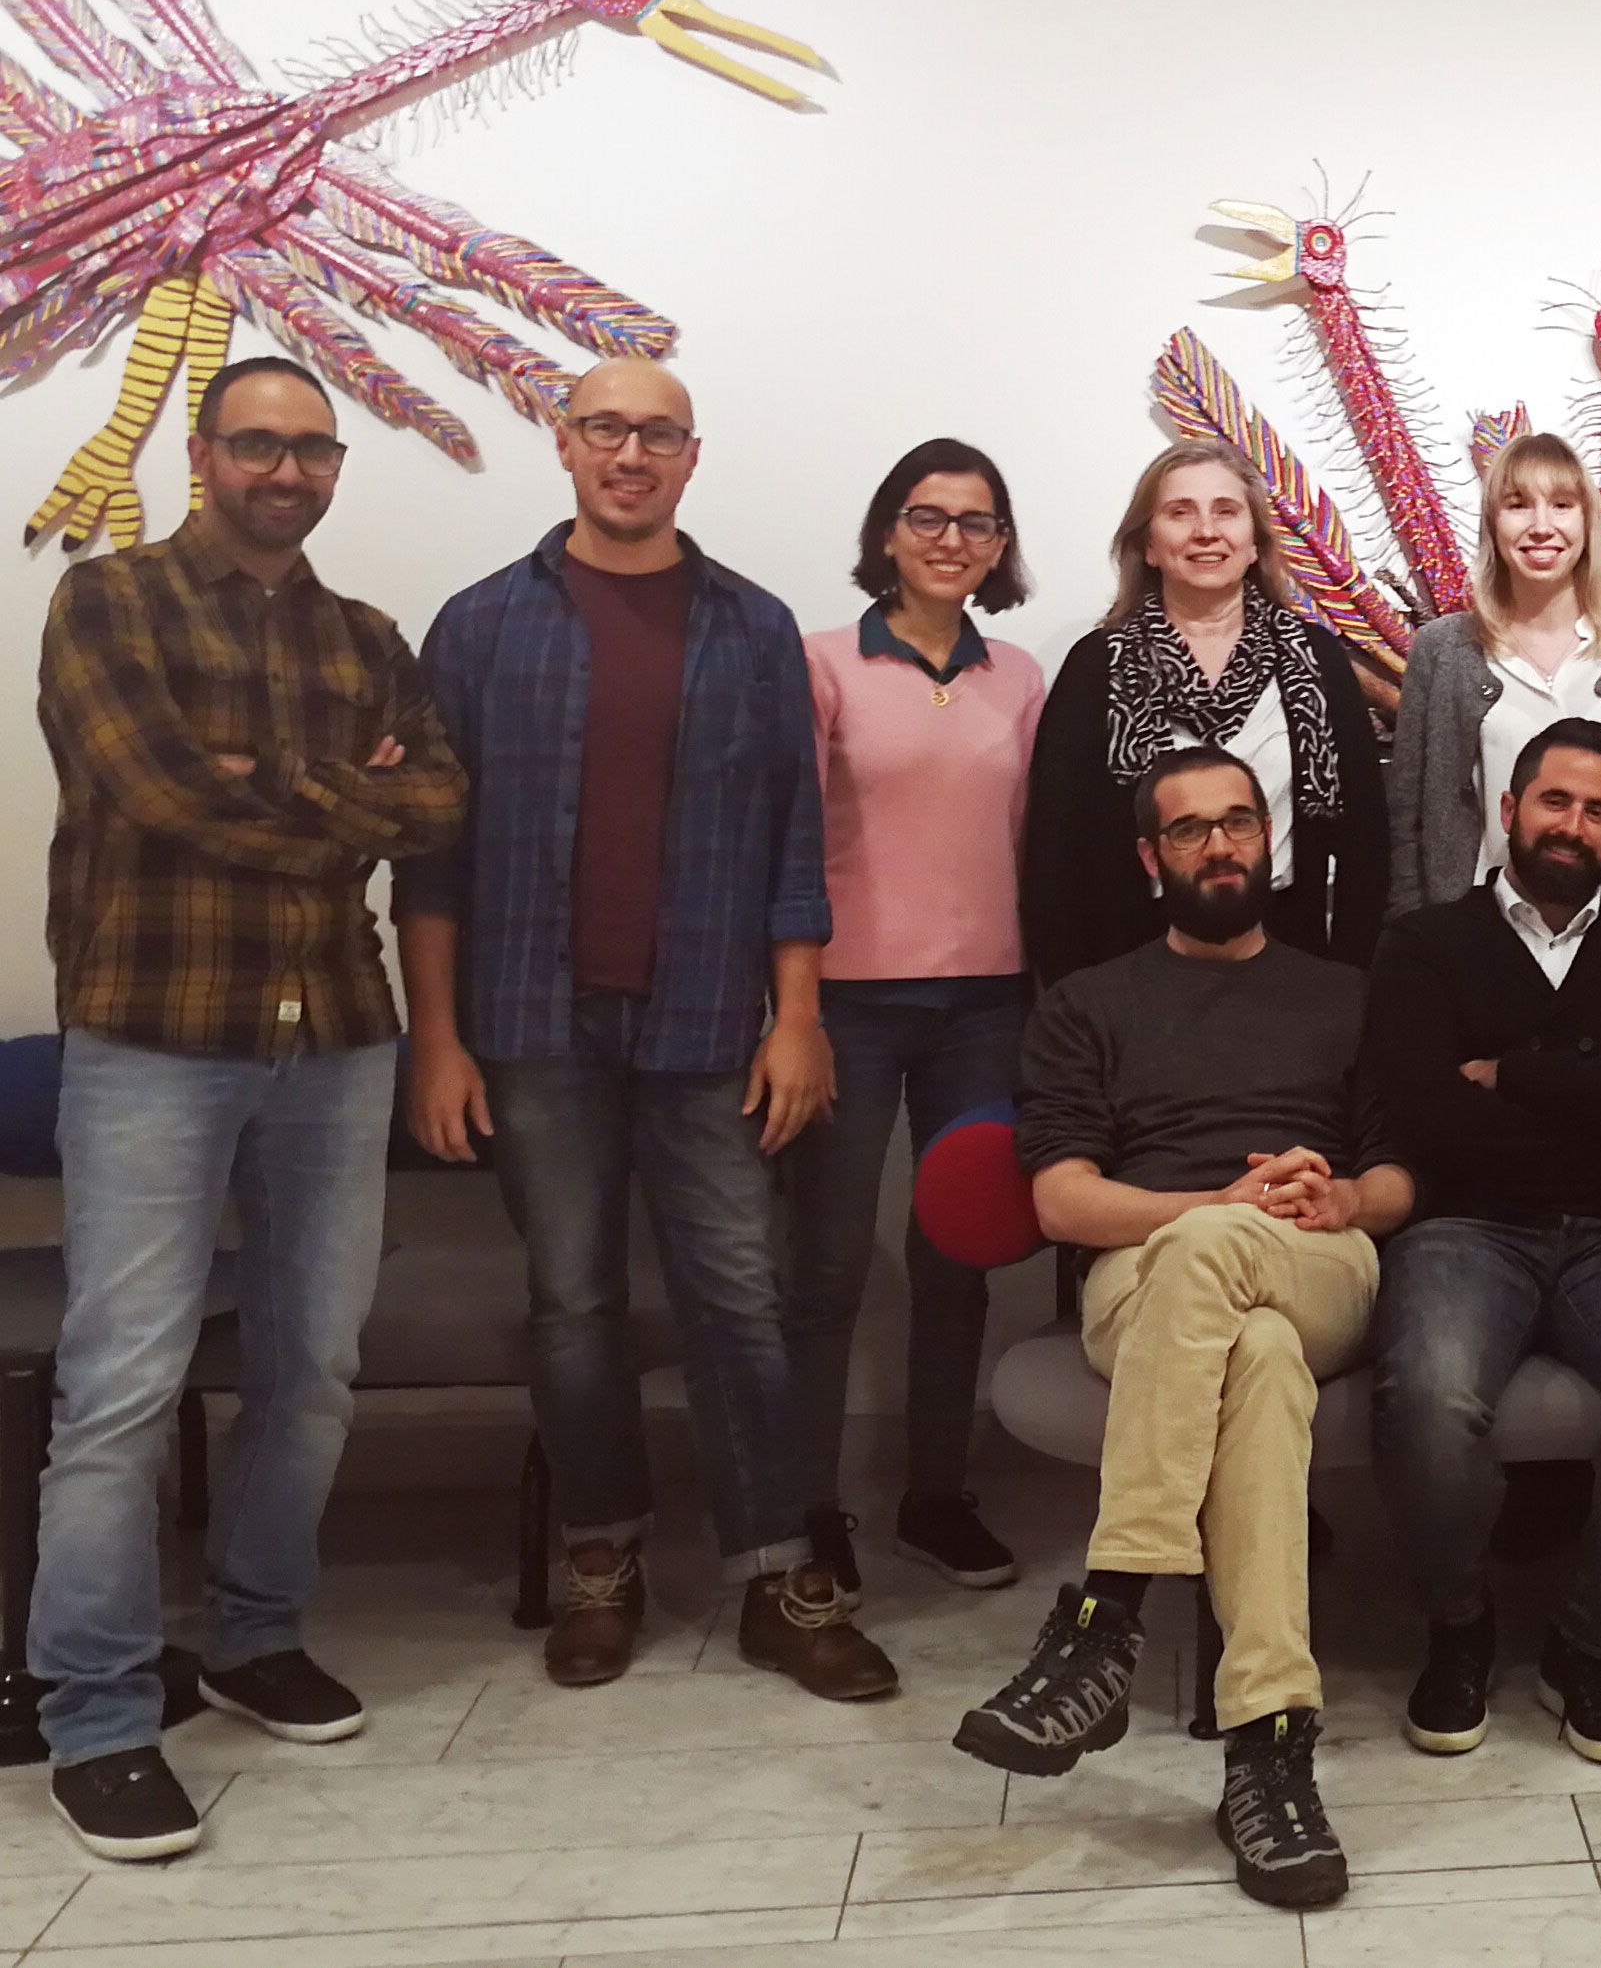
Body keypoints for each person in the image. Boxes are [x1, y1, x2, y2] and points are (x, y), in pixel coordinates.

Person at [402, 356, 892, 1699]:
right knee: (572, 1302)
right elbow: (430, 862)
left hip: (705, 1026)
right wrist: (436, 1039)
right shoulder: (479, 627)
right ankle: (600, 1558)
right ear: (563, 444)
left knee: (739, 1296)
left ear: (692, 457)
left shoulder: (754, 629)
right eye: (606, 428)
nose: (631, 452)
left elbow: (795, 846)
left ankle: (779, 1577)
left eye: (657, 433)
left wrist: (798, 1018)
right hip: (529, 1022)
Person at [30, 359, 467, 1861]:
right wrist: (345, 792)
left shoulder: (368, 637)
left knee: (312, 1368)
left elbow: (440, 805)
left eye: (312, 450)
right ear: (204, 454)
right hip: (156, 1035)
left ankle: (255, 1634)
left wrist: (275, 780)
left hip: (336, 1038)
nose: (287, 472)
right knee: (123, 1388)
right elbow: (157, 793)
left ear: (336, 467)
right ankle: (96, 1712)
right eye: (258, 446)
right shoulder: (109, 602)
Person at [952, 746, 1410, 1908]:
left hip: (1319, 1261)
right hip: (1147, 1279)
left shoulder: (1347, 994)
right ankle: (1269, 1755)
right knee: (1251, 1347)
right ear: (1151, 857)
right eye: (1192, 829)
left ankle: (1105, 1619)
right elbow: (1064, 1204)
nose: (1221, 846)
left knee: (1238, 1277)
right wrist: (1217, 1205)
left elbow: (1403, 1178)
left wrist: (1344, 1198)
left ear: (1268, 838)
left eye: (1239, 822)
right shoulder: (1087, 1003)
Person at [1366, 719, 1601, 1767]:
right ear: (1509, 808)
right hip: (1464, 1226)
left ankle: (1591, 1642)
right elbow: (1428, 1117)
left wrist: (1515, 1072)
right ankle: (1459, 1625)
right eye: (1555, 801)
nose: (1573, 825)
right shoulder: (1422, 945)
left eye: (1598, 810)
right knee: (1428, 1395)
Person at [784, 439, 1049, 1600]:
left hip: (987, 1005)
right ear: (887, 533)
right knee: (828, 1262)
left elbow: (1036, 845)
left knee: (956, 1258)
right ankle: (807, 1508)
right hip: (847, 1005)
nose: (951, 540)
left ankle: (936, 1496)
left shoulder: (1021, 677)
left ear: (999, 547)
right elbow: (788, 844)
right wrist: (789, 1009)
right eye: (927, 517)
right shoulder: (821, 663)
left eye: (976, 522)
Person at [1021, 439, 1387, 984]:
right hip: (1134, 966)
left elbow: (1366, 842)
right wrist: (1067, 992)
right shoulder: (1097, 667)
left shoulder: (1316, 660)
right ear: (1148, 545)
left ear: (1255, 543)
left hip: (1290, 959)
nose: (1206, 531)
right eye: (1180, 512)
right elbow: (1054, 854)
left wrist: (1351, 978)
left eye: (1226, 511)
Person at [1390, 431, 1601, 948]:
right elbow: (1407, 823)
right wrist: (1415, 947)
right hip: (1475, 947)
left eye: (1562, 505)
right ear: (1492, 523)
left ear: (1587, 521)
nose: (1541, 526)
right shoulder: (1442, 650)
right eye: (1518, 504)